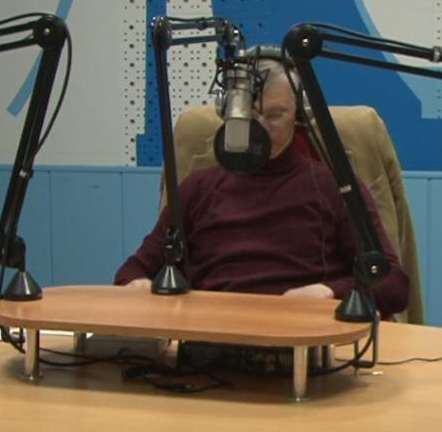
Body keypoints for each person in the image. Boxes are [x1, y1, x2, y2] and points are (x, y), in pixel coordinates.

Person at [115, 52, 409, 319]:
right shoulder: (197, 189)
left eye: (275, 115)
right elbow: (132, 271)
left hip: (301, 334)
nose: (261, 127)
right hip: (213, 333)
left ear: (298, 115)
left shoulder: (336, 188)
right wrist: (138, 285)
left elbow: (394, 285)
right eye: (250, 114)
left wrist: (329, 291)